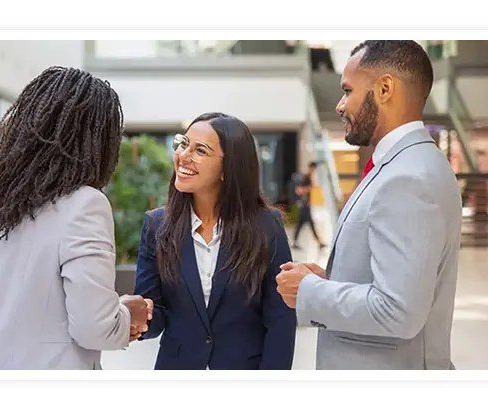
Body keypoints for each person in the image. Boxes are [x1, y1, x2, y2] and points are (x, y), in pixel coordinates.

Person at [276, 40, 462, 370]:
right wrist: (329, 279)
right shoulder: (406, 165)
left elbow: (397, 310)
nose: (339, 105)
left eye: (348, 91)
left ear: (385, 88)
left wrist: (309, 291)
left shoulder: (408, 177)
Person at [0, 66, 152, 370]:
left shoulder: (1, 213)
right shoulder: (85, 204)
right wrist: (127, 314)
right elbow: (94, 328)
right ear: (97, 141)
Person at [134, 112, 297, 370]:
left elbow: (281, 319)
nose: (183, 155)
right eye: (183, 144)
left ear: (228, 167)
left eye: (200, 150)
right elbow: (156, 313)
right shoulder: (157, 225)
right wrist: (139, 317)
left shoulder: (266, 226)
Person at [291, 161, 327, 250]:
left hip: (306, 205)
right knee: (304, 224)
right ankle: (318, 242)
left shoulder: (310, 177)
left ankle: (319, 242)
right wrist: (309, 188)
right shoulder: (305, 177)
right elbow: (299, 190)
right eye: (314, 169)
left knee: (307, 224)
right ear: (311, 168)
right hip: (303, 206)